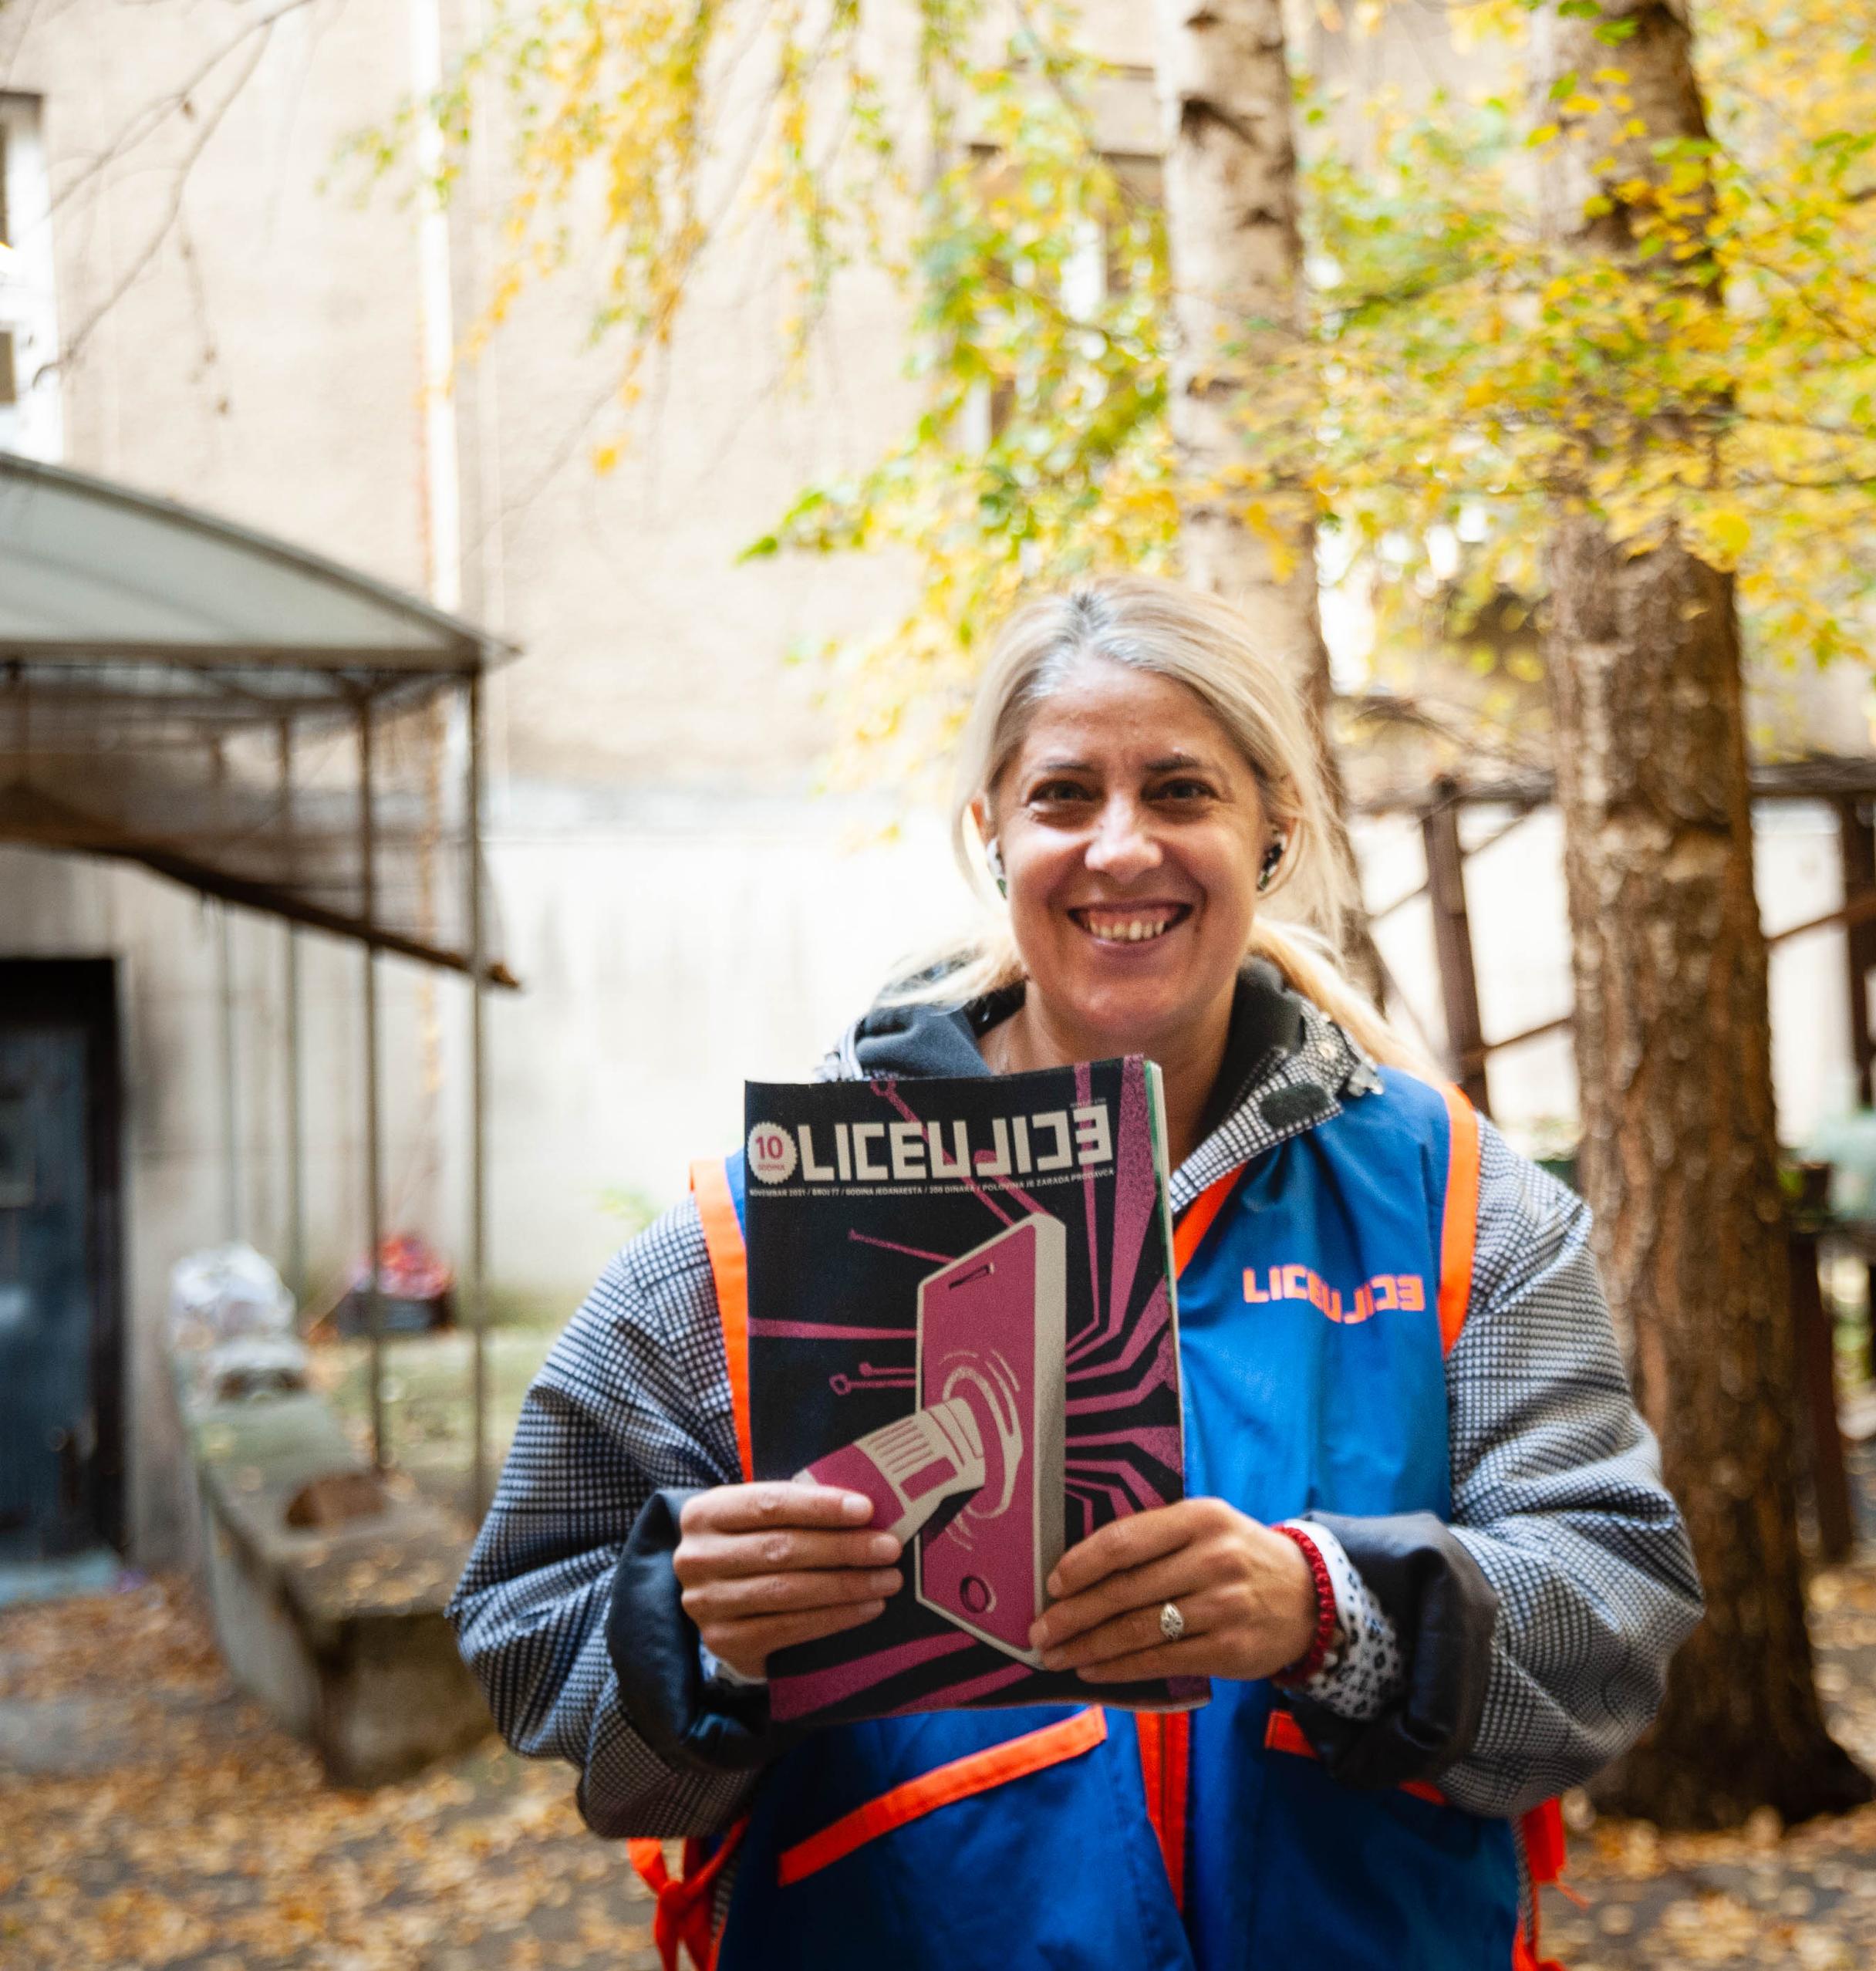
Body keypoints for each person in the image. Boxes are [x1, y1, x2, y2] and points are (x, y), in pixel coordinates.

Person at [449, 576, 1703, 1971]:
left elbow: (1615, 1614)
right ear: (989, 834)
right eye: (1062, 797)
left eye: (1181, 792)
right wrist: (702, 1635)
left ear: (1274, 825)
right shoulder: (768, 1232)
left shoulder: (1456, 1203)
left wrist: (1331, 1614)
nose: (1122, 848)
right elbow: (528, 1637)